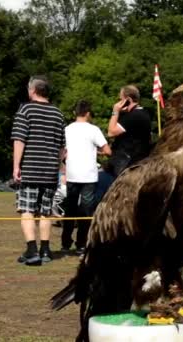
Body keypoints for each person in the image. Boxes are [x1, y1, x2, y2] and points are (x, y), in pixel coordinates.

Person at [11, 75, 65, 266]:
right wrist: (57, 167)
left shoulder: (25, 109)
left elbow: (19, 139)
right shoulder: (58, 113)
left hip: (30, 169)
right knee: (45, 212)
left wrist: (16, 166)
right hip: (50, 171)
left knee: (26, 210)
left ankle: (31, 250)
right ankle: (45, 250)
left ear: (32, 90)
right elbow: (62, 148)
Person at [61, 100, 111, 255]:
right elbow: (108, 151)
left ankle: (65, 242)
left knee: (70, 209)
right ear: (88, 113)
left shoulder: (67, 129)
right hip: (89, 175)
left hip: (71, 174)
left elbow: (62, 152)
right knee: (86, 211)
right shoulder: (93, 129)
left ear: (75, 113)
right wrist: (96, 151)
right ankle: (81, 244)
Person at [107, 85, 152, 178]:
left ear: (128, 99)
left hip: (127, 162)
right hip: (138, 160)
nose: (118, 102)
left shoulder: (133, 116)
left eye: (121, 99)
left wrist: (115, 111)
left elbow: (111, 132)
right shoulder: (143, 113)